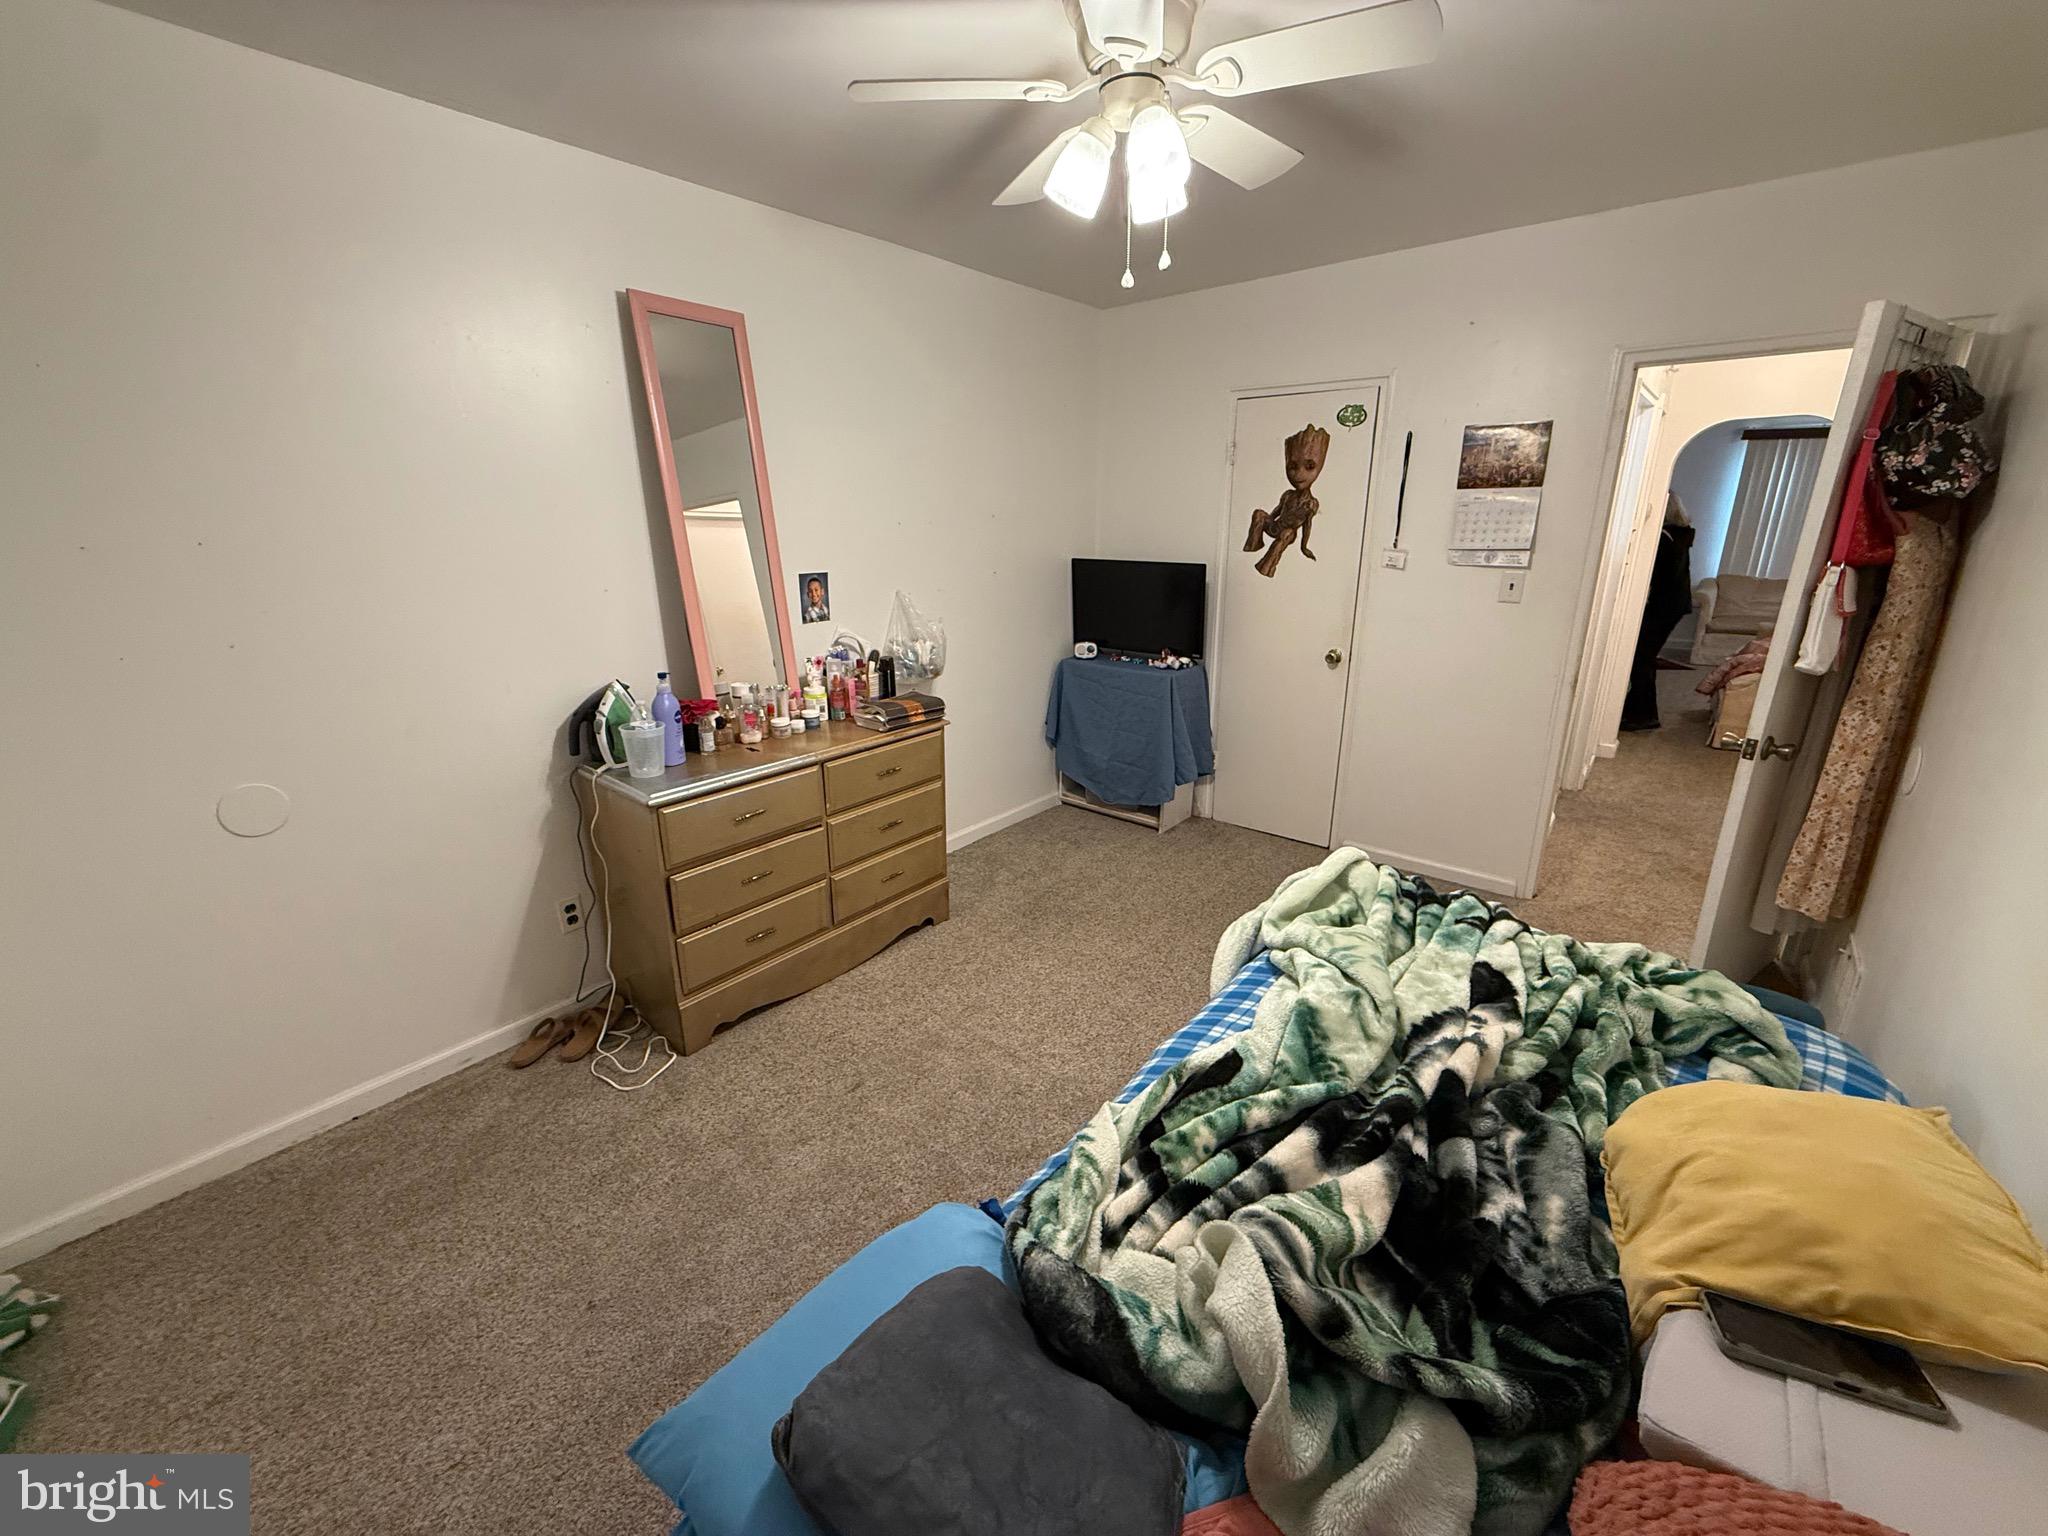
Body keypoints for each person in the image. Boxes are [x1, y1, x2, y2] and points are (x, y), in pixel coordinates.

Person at [1621, 495, 1697, 732]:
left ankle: (1642, 715)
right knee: (1643, 657)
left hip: (1662, 607)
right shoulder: (1679, 535)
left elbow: (1655, 578)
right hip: (1672, 606)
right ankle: (1640, 712)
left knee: (1640, 658)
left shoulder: (1665, 539)